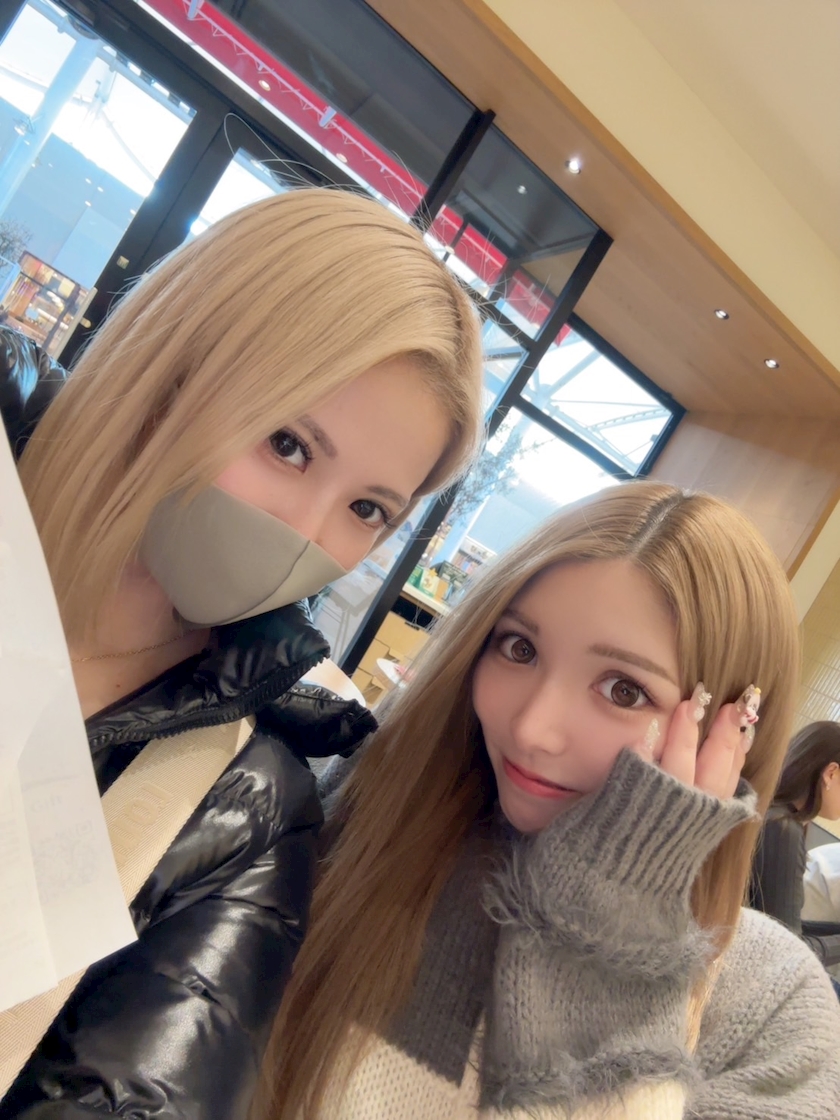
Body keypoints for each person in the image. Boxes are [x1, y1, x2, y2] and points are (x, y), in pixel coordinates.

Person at [0, 188, 483, 1118]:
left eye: (367, 508)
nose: (306, 530)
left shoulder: (249, 812)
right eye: (289, 445)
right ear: (174, 366)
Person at [262, 481, 840, 1120]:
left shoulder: (773, 1005)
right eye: (520, 648)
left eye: (624, 691)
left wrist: (614, 925)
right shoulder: (370, 813)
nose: (532, 728)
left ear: (731, 732)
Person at [751, 721, 840, 967]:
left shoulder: (773, 812)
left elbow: (780, 925)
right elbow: (784, 951)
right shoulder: (782, 828)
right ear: (831, 774)